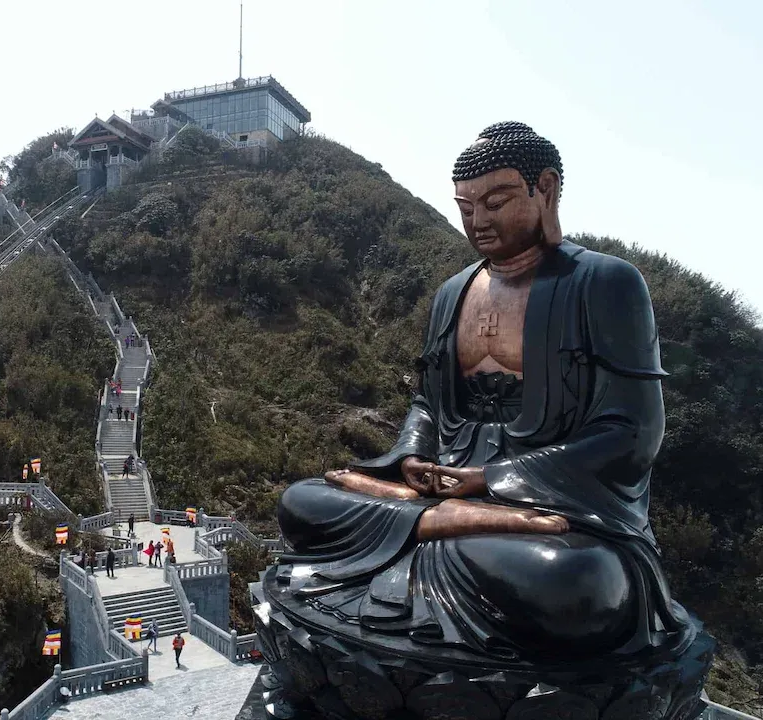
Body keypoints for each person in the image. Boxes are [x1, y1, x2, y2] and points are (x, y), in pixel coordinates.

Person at [270, 121, 697, 662]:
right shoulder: (453, 293)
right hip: (446, 493)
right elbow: (428, 403)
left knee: (576, 581)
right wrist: (413, 456)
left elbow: (634, 433)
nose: (479, 222)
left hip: (552, 506)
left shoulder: (605, 283)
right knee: (302, 501)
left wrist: (492, 479)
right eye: (466, 208)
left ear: (545, 189)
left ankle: (424, 529)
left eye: (495, 202)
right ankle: (437, 522)